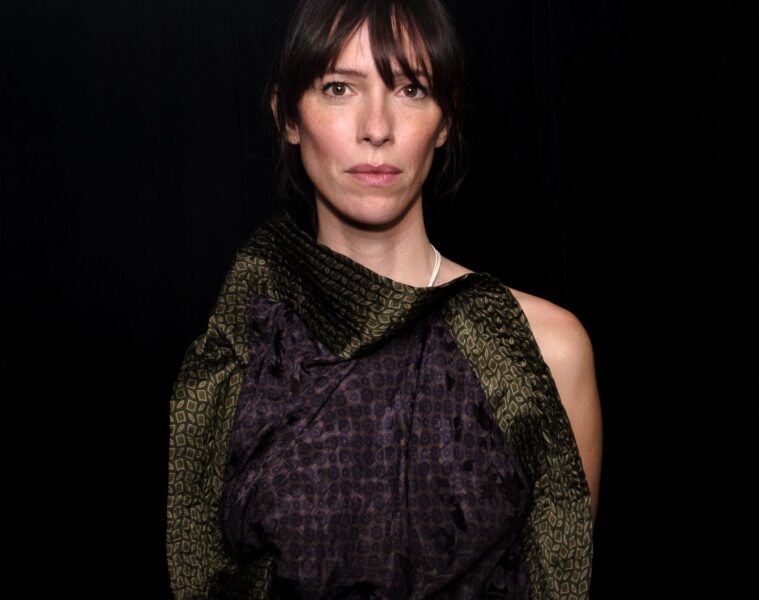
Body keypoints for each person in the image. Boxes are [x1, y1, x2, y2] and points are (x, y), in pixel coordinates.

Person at [165, 1, 602, 598]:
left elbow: (562, 579)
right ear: (287, 115)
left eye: (410, 89)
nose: (377, 128)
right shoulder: (240, 348)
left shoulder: (544, 351)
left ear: (445, 120)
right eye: (339, 88)